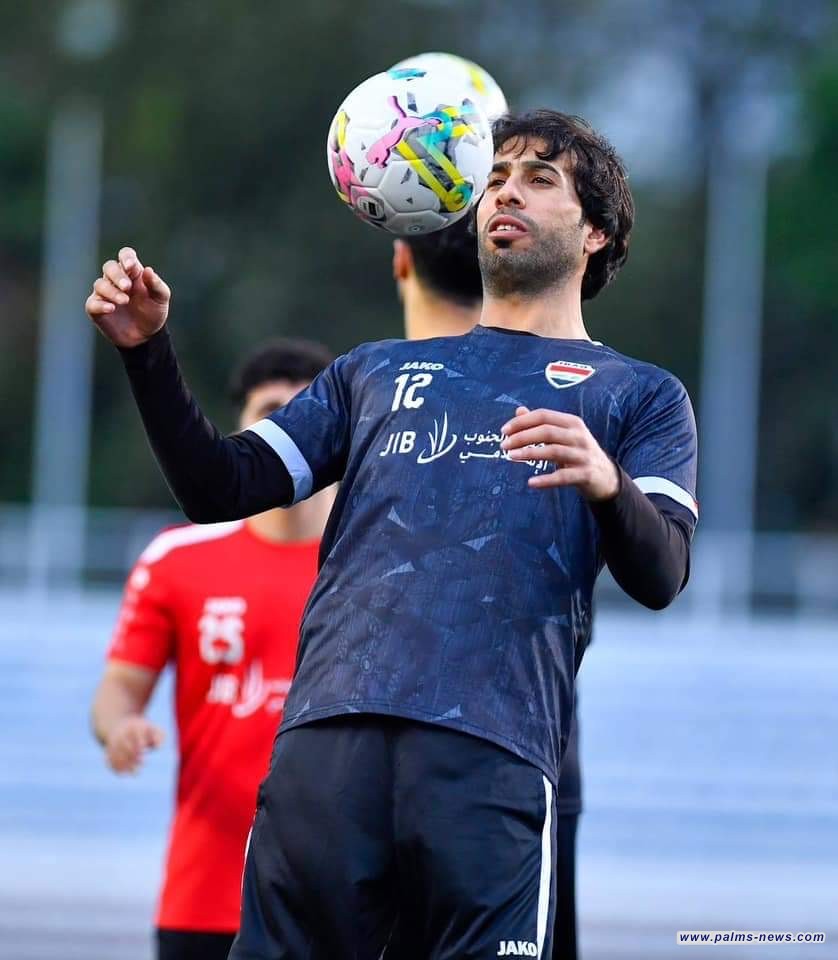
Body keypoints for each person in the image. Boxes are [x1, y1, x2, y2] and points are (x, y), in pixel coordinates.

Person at [85, 109, 698, 960]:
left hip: (491, 758)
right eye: (493, 179)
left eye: (538, 179)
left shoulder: (639, 395)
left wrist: (607, 483)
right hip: (324, 751)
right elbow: (217, 485)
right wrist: (148, 354)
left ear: (596, 232)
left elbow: (662, 573)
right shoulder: (374, 371)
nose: (505, 193)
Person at [90, 339, 335, 960]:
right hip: (205, 895)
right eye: (272, 412)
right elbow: (119, 688)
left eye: (305, 413)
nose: (290, 430)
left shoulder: (378, 560)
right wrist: (120, 727)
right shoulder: (178, 558)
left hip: (338, 901)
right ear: (242, 429)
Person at [394, 219, 584, 960]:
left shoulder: (370, 397)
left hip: (361, 759)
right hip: (522, 757)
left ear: (400, 258)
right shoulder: (577, 397)